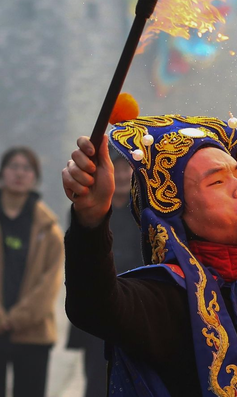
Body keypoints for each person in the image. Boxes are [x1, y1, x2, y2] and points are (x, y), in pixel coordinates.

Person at [62, 114, 237, 397]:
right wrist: (91, 218)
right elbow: (93, 306)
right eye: (216, 182)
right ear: (179, 214)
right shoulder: (165, 295)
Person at [66, 148, 140, 397]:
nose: (120, 176)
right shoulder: (89, 211)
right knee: (97, 380)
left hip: (136, 307)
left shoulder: (143, 212)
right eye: (115, 169)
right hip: (98, 307)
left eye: (125, 169)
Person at [0, 146, 64, 397]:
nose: (19, 173)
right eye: (14, 166)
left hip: (34, 333)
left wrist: (14, 319)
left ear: (35, 176)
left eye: (26, 168)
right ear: (3, 172)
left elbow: (50, 284)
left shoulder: (49, 229)